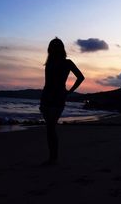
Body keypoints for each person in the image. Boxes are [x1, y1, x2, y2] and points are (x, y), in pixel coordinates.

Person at [40, 37, 84, 165]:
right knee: (50, 128)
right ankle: (52, 158)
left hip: (55, 98)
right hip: (49, 98)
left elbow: (81, 77)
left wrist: (69, 92)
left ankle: (53, 158)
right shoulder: (51, 63)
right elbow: (47, 83)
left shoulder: (66, 63)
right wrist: (68, 92)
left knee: (50, 128)